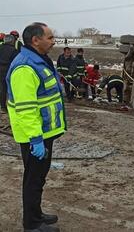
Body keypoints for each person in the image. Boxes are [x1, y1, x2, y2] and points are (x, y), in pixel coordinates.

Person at [6, 22, 64, 231]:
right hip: (35, 136)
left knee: (38, 178)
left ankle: (37, 214)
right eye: (49, 37)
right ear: (35, 40)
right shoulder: (25, 67)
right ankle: (31, 224)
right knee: (33, 179)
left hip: (43, 132)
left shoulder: (38, 60)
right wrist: (36, 139)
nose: (53, 41)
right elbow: (26, 108)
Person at [0, 35, 19, 112]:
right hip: (8, 70)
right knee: (9, 88)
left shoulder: (0, 48)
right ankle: (9, 106)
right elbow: (16, 62)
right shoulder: (14, 50)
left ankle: (2, 106)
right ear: (12, 41)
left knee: (2, 88)